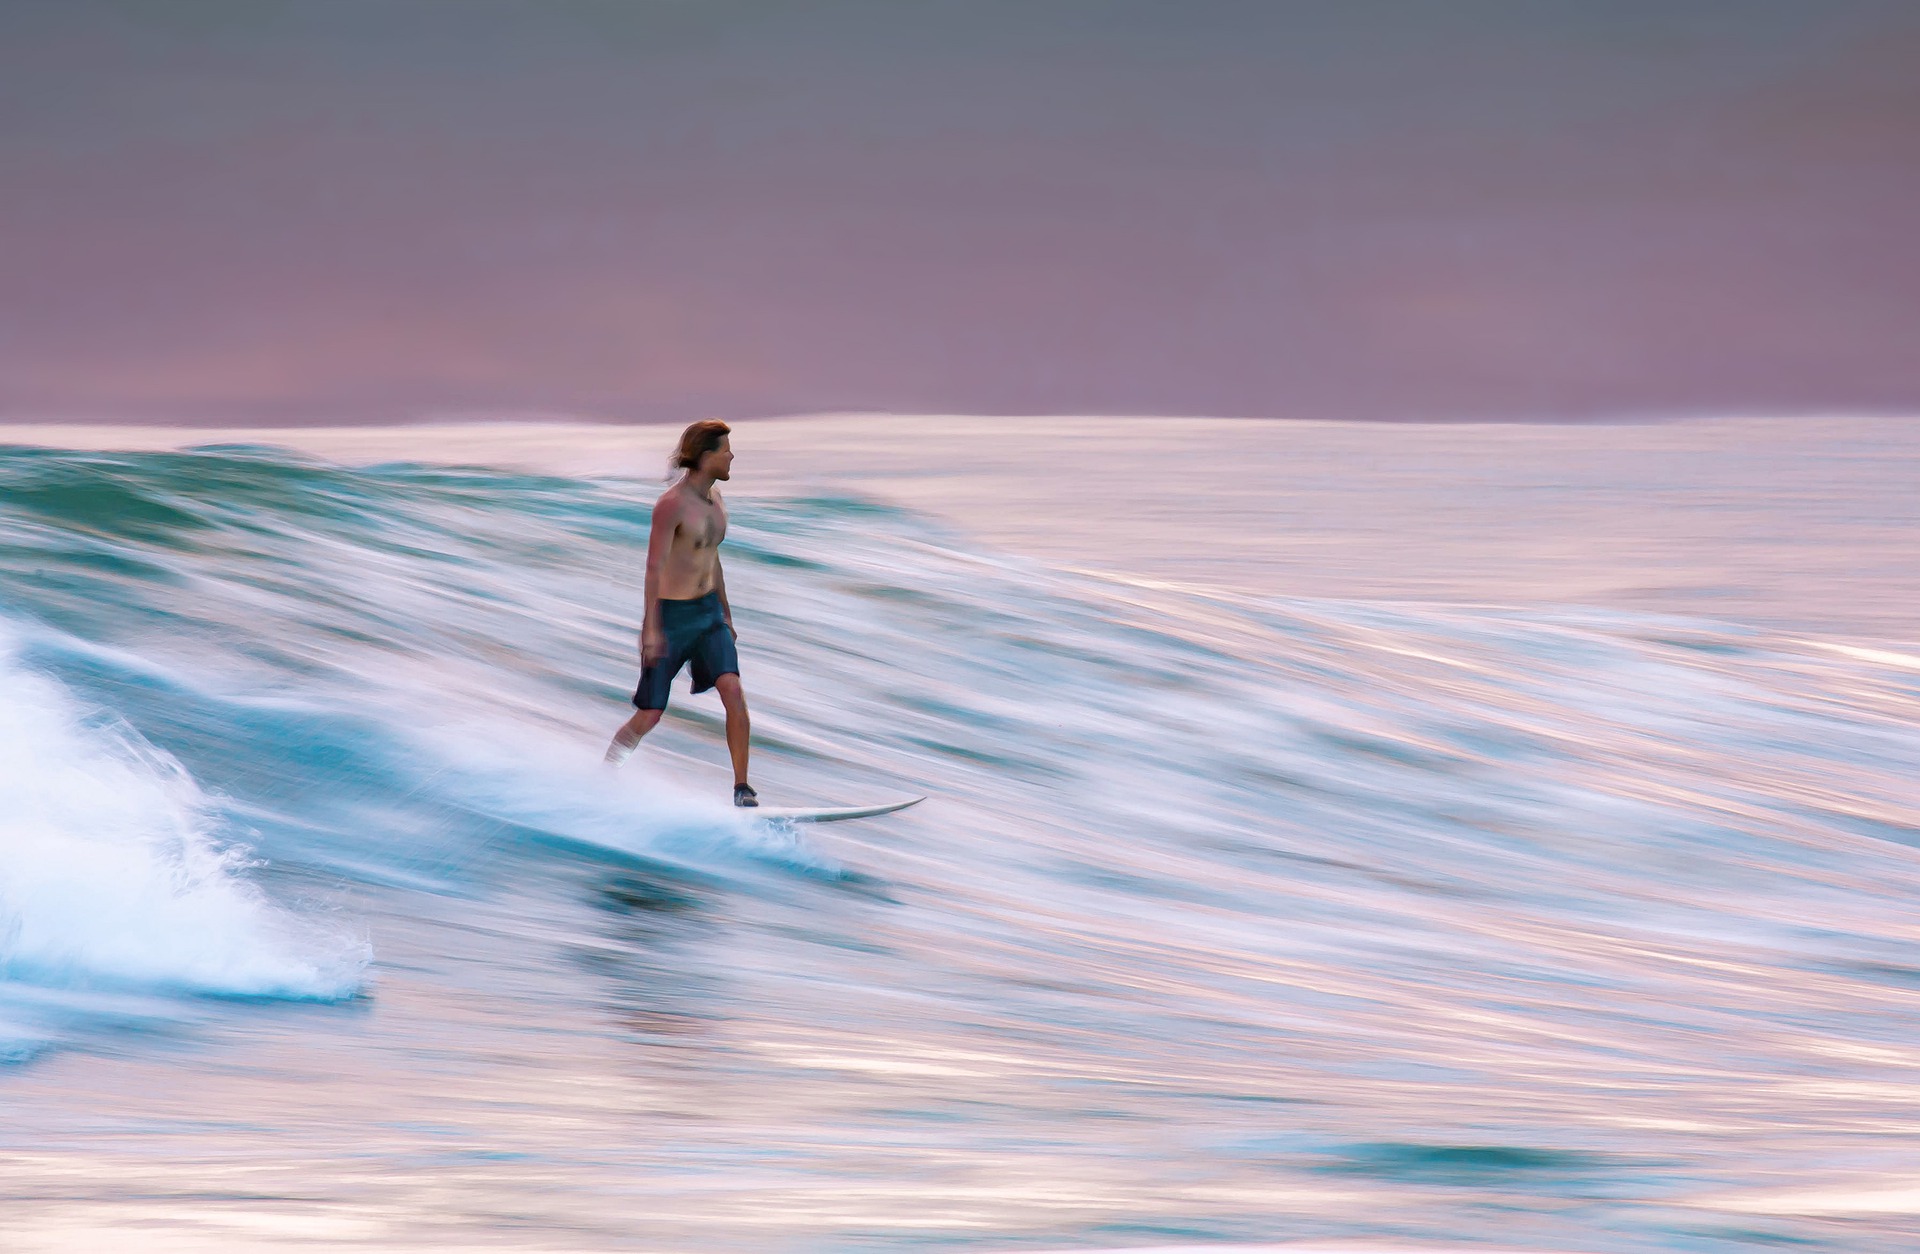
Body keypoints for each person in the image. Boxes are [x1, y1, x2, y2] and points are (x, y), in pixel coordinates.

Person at [604, 419, 756, 806]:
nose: (731, 456)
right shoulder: (670, 505)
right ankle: (604, 778)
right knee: (649, 714)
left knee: (733, 692)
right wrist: (650, 628)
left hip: (708, 616)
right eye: (725, 450)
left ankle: (742, 789)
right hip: (671, 619)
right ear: (706, 456)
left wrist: (726, 615)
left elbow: (712, 559)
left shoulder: (717, 501)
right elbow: (654, 568)